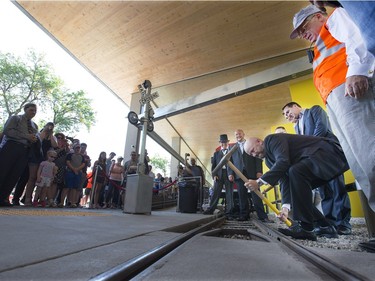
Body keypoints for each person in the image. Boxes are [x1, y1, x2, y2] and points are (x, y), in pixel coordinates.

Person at [290, 4, 375, 214]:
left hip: (350, 91)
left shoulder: (335, 19)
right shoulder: (318, 49)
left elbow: (358, 36)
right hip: (336, 102)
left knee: (369, 155)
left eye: (303, 27)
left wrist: (357, 70)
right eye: (299, 32)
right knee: (360, 167)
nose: (302, 34)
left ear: (318, 16)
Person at [243, 134, 349, 241]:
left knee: (295, 171)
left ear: (259, 141)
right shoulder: (269, 161)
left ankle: (306, 229)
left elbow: (283, 162)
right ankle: (325, 226)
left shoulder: (271, 140)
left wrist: (259, 182)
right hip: (316, 163)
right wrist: (285, 208)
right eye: (250, 154)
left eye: (252, 150)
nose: (253, 154)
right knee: (296, 191)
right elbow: (284, 181)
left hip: (329, 154)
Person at [282, 102, 352, 235]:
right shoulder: (297, 127)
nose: (287, 116)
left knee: (337, 188)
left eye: (287, 111)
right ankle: (330, 223)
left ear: (296, 106)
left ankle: (343, 224)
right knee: (325, 192)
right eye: (285, 115)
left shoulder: (314, 110)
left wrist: (308, 150)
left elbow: (322, 128)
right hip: (315, 161)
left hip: (329, 155)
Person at [0, 103, 38, 207]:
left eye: (35, 111)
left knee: (14, 175)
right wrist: (26, 136)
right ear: (25, 109)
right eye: (31, 110)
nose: (33, 112)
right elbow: (7, 131)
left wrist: (34, 140)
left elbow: (33, 138)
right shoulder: (15, 118)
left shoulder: (34, 125)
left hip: (25, 151)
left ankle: (3, 198)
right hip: (11, 147)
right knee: (3, 171)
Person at [227, 129, 270, 222]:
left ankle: (262, 216)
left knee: (256, 195)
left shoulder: (250, 144)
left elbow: (258, 157)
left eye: (239, 133)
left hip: (252, 173)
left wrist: (259, 171)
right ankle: (244, 215)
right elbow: (229, 161)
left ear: (243, 134)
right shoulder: (232, 147)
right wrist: (230, 173)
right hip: (238, 174)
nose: (238, 135)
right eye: (236, 134)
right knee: (242, 196)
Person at [309, 0, 375, 57]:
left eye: (303, 30)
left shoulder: (335, 22)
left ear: (318, 17)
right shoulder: (334, 26)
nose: (303, 36)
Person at [23, 122, 58, 206]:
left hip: (46, 160)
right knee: (33, 177)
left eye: (51, 127)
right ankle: (28, 198)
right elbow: (39, 140)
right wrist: (45, 131)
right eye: (48, 126)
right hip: (35, 157)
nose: (49, 128)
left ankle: (40, 199)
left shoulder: (53, 137)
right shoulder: (39, 133)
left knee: (44, 180)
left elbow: (55, 145)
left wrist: (51, 134)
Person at [204, 134, 234, 218]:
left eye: (225, 142)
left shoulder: (231, 152)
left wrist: (232, 174)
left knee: (229, 194)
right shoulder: (216, 154)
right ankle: (210, 209)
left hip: (229, 174)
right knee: (215, 193)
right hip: (218, 175)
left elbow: (234, 164)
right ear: (219, 143)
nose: (223, 144)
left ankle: (229, 212)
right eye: (222, 142)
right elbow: (213, 166)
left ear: (227, 142)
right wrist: (214, 175)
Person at [58, 143, 85, 208]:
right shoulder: (70, 155)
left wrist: (77, 169)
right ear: (74, 148)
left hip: (78, 173)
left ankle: (73, 202)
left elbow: (83, 164)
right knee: (66, 187)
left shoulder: (82, 156)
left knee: (75, 188)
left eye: (79, 148)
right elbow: (68, 162)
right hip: (69, 172)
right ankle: (61, 202)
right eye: (76, 148)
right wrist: (73, 169)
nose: (78, 149)